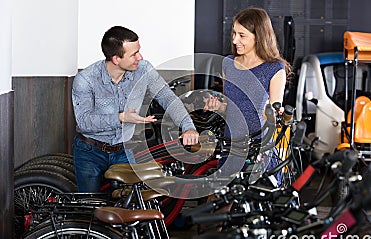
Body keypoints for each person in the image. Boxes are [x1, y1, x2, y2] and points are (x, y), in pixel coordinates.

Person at [72, 26, 199, 193]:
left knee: (130, 206)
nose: (140, 57)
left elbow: (168, 98)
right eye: (134, 54)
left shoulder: (144, 69)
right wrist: (121, 118)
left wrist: (188, 127)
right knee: (90, 208)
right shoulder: (86, 79)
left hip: (124, 148)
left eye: (139, 51)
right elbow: (84, 122)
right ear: (116, 58)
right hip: (89, 151)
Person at [204, 7, 291, 178]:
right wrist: (218, 107)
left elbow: (273, 113)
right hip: (231, 147)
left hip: (259, 149)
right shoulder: (228, 63)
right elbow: (230, 106)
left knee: (258, 201)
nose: (235, 40)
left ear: (259, 36)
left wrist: (273, 114)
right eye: (234, 33)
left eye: (242, 35)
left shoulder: (274, 68)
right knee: (223, 202)